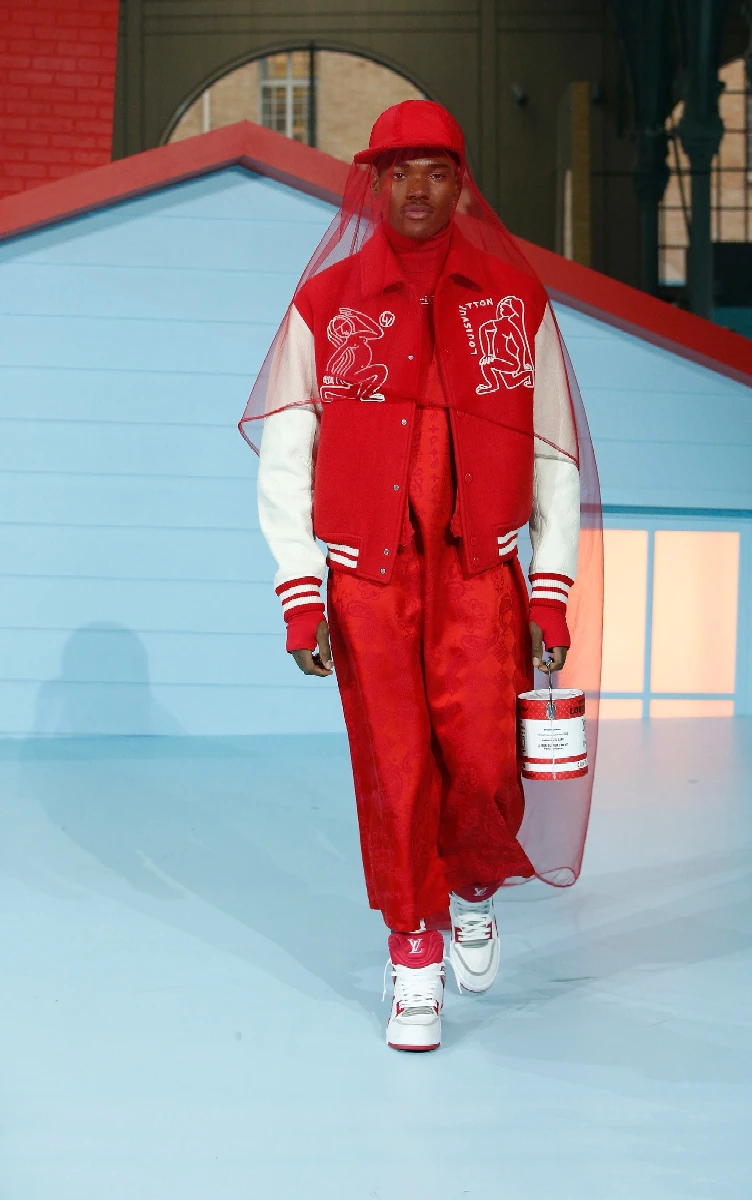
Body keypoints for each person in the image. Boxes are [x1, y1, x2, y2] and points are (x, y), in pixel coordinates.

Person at [241, 100, 599, 1052]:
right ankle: (413, 957)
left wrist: (551, 588)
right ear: (374, 182)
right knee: (395, 773)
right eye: (398, 171)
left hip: (481, 573)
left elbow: (555, 453)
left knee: (482, 763)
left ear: (461, 183)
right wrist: (300, 593)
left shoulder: (514, 301)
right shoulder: (327, 304)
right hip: (369, 579)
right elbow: (286, 454)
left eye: (436, 171)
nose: (416, 188)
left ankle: (472, 886)